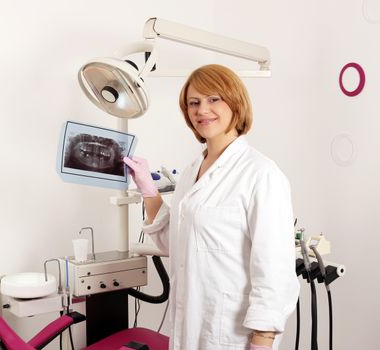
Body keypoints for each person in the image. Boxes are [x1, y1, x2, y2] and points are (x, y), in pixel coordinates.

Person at [123, 64, 300, 350]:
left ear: (235, 103)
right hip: (189, 328)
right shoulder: (193, 170)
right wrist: (148, 189)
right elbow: (177, 242)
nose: (202, 110)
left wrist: (262, 341)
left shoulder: (261, 174)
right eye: (194, 103)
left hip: (232, 336)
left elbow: (275, 270)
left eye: (213, 99)